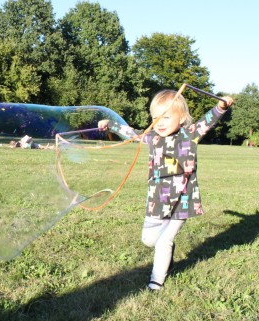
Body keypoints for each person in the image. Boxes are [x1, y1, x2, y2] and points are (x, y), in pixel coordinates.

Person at [98, 90, 234, 291]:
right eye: (155, 118)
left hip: (182, 200)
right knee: (149, 240)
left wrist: (221, 107)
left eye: (166, 117)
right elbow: (131, 133)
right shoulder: (152, 137)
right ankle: (167, 254)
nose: (159, 122)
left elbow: (208, 120)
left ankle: (156, 281)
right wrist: (111, 124)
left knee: (164, 241)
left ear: (181, 118)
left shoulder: (189, 134)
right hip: (157, 200)